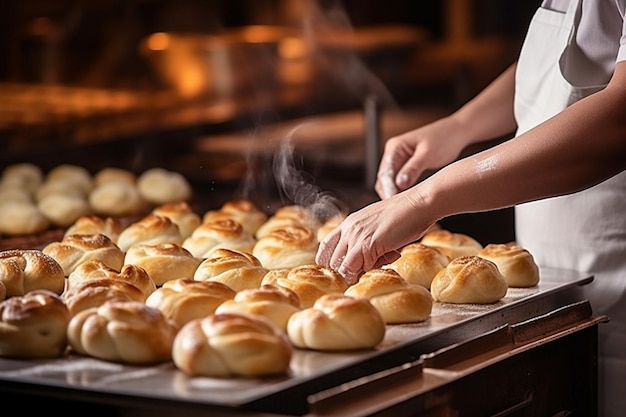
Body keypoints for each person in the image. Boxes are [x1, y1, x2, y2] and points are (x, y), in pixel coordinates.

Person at [315, 1, 626, 416]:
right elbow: (576, 56)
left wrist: (426, 198)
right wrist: (460, 126)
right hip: (555, 290)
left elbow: (618, 122)